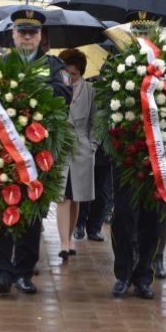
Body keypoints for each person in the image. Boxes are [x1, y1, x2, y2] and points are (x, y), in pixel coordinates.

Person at [0, 8, 72, 295]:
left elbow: (63, 95)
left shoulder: (53, 66)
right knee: (1, 207)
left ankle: (24, 271)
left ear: (40, 36)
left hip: (38, 152)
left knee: (31, 212)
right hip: (2, 150)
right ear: (12, 34)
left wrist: (26, 88)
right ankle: (1, 270)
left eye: (32, 32)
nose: (27, 37)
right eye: (22, 31)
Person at [110, 10, 164, 300]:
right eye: (138, 31)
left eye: (147, 31)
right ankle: (123, 274)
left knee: (151, 219)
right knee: (122, 217)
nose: (142, 37)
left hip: (157, 155)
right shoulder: (117, 63)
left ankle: (144, 276)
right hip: (126, 155)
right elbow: (108, 106)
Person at [56, 48, 97, 261]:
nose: (70, 77)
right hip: (62, 146)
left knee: (76, 197)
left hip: (82, 148)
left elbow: (96, 122)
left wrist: (92, 145)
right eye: (67, 73)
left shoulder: (91, 90)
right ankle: (63, 243)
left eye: (74, 74)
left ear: (80, 71)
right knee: (62, 196)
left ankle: (71, 237)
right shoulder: (57, 88)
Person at [74, 143, 111, 242]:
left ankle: (95, 228)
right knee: (83, 188)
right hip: (86, 145)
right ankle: (79, 224)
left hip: (105, 149)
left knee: (102, 192)